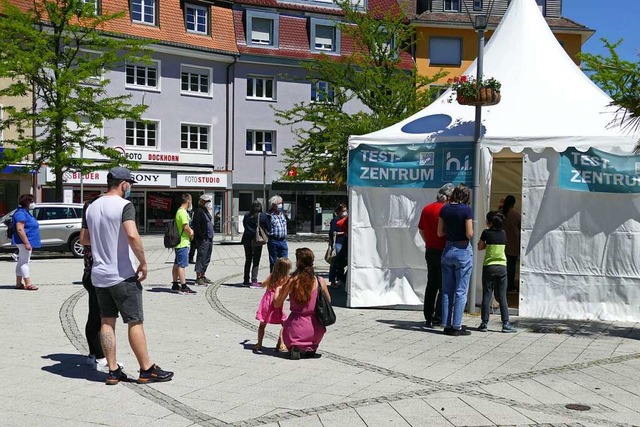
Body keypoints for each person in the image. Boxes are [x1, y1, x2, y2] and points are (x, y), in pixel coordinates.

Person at [83, 167, 173, 385]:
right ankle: (146, 369)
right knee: (135, 322)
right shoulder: (125, 205)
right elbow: (132, 235)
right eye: (130, 184)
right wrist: (143, 262)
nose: (130, 187)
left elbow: (85, 239)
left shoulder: (92, 206)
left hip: (99, 275)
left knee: (106, 322)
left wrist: (103, 241)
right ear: (124, 184)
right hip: (122, 274)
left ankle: (113, 370)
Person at [81, 194, 123, 373]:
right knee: (102, 317)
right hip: (97, 273)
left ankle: (94, 354)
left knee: (95, 315)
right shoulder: (93, 221)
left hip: (91, 271)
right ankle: (100, 356)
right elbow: (84, 239)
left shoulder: (90, 217)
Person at [274, 247, 330, 360]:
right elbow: (328, 300)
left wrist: (278, 289)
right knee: (313, 337)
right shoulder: (320, 281)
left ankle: (296, 347)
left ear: (298, 261)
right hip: (316, 329)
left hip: (296, 328)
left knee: (289, 328)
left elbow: (277, 303)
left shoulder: (293, 281)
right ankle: (312, 347)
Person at [437, 184, 473, 337]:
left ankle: (446, 324)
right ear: (465, 196)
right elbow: (469, 233)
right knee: (460, 290)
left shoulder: (444, 209)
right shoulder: (466, 210)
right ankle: (457, 325)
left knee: (447, 290)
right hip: (463, 250)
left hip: (448, 249)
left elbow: (439, 232)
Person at [418, 183, 454, 327]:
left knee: (431, 284)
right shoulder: (447, 210)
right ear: (448, 196)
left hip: (430, 249)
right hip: (443, 249)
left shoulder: (426, 209)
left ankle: (428, 316)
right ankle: (439, 317)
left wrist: (428, 241)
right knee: (443, 286)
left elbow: (421, 230)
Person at [477, 211, 516, 333]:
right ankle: (506, 323)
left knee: (487, 294)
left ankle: (484, 323)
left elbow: (480, 247)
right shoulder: (503, 233)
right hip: (502, 266)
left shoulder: (486, 233)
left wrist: (486, 244)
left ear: (490, 222)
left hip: (489, 266)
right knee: (502, 296)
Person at [253, 257, 291, 353]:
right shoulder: (286, 279)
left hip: (267, 302)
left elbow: (263, 284)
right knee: (284, 324)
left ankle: (259, 344)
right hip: (277, 301)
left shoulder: (272, 276)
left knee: (262, 324)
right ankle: (281, 344)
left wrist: (263, 284)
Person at [12, 194, 40, 291]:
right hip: (24, 241)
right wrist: (27, 242)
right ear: (27, 202)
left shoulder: (25, 212)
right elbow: (20, 229)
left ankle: (18, 283)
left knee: (21, 262)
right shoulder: (20, 213)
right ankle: (28, 284)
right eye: (31, 201)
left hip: (26, 241)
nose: (33, 203)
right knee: (25, 262)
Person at [171, 194, 196, 295]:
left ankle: (175, 284)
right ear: (188, 201)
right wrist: (192, 233)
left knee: (177, 264)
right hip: (182, 242)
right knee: (182, 265)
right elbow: (185, 227)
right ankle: (184, 286)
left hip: (180, 242)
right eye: (191, 201)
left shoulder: (180, 211)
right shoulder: (182, 212)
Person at [241, 201, 269, 287]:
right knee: (256, 260)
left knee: (248, 259)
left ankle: (246, 279)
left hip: (246, 239)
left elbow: (245, 225)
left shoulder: (246, 215)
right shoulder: (263, 216)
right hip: (257, 240)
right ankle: (254, 279)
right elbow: (268, 226)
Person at [192, 194, 214, 287]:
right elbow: (196, 226)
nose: (208, 203)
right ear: (201, 202)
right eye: (206, 201)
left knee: (207, 258)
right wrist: (201, 237)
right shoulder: (198, 211)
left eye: (208, 201)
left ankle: (203, 275)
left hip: (209, 238)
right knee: (201, 257)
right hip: (203, 239)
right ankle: (198, 278)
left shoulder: (206, 211)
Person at [502, 195, 521, 292]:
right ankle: (510, 285)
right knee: (511, 266)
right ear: (513, 204)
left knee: (502, 266)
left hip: (501, 244)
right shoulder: (516, 215)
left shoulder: (500, 213)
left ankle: (501, 285)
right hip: (513, 244)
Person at [266, 195, 288, 272]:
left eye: (281, 203)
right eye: (278, 204)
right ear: (273, 205)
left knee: (285, 262)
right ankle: (273, 280)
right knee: (274, 262)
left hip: (283, 241)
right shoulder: (269, 215)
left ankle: (284, 279)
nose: (280, 205)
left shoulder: (283, 214)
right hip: (273, 241)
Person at [328, 204, 347, 288]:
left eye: (345, 210)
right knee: (335, 263)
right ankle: (332, 281)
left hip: (345, 242)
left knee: (342, 263)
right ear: (338, 212)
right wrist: (343, 233)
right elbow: (332, 233)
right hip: (338, 243)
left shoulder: (346, 220)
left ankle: (340, 280)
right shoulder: (335, 220)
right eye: (343, 211)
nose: (345, 213)